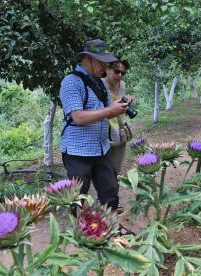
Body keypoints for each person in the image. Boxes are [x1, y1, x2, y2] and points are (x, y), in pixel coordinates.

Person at [59, 39, 130, 211]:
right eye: (102, 63)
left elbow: (106, 108)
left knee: (110, 191)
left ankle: (110, 228)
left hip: (101, 148)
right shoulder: (71, 82)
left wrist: (120, 105)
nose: (105, 68)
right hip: (78, 151)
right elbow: (78, 117)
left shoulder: (99, 83)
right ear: (89, 59)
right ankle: (78, 231)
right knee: (77, 197)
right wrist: (109, 111)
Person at [102, 59, 131, 174]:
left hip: (119, 131)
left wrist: (127, 102)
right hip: (103, 133)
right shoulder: (99, 85)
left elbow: (120, 109)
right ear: (107, 69)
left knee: (116, 169)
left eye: (123, 73)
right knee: (104, 171)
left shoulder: (122, 85)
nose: (119, 75)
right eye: (117, 71)